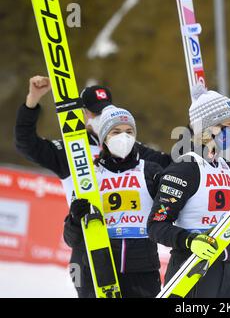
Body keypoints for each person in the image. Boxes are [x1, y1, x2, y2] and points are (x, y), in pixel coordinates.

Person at [14, 75, 171, 297]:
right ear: (83, 114)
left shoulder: (128, 145)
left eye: (106, 109)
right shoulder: (71, 149)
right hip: (86, 240)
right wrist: (32, 100)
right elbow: (26, 144)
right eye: (96, 112)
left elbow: (172, 164)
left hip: (135, 252)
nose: (102, 116)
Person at [147, 84, 230, 298]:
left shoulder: (227, 168)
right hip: (191, 271)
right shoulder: (185, 168)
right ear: (209, 126)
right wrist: (190, 240)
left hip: (226, 268)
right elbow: (155, 226)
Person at [63, 106, 163, 297]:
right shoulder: (89, 176)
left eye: (129, 132)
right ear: (104, 138)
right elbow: (71, 239)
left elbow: (169, 214)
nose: (123, 137)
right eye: (116, 132)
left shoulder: (151, 171)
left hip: (142, 272)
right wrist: (75, 219)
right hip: (99, 270)